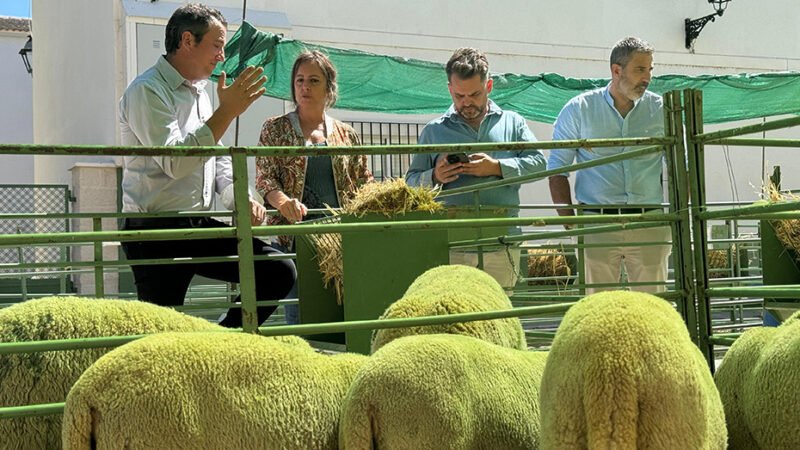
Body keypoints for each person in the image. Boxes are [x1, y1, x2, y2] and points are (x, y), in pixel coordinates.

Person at [119, 3, 296, 328]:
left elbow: (218, 159)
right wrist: (226, 112)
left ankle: (221, 343)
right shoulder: (146, 90)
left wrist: (240, 197)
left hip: (195, 224)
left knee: (278, 269)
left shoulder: (201, 92)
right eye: (217, 45)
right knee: (161, 330)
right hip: (155, 231)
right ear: (187, 40)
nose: (222, 56)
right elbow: (175, 162)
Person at [405, 47, 546, 289]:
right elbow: (409, 182)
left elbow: (540, 164)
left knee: (499, 310)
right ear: (449, 89)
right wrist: (435, 176)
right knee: (453, 309)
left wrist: (497, 167)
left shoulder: (513, 122)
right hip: (451, 246)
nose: (467, 102)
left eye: (474, 94)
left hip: (501, 243)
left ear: (489, 86)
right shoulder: (433, 131)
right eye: (459, 96)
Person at [255, 50, 373, 323]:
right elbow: (265, 178)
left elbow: (363, 181)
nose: (305, 87)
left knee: (341, 313)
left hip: (339, 241)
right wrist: (283, 202)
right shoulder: (275, 129)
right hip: (294, 239)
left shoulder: (346, 134)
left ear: (329, 87)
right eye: (300, 80)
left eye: (313, 80)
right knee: (300, 315)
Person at [547, 36, 670, 294]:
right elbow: (557, 168)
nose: (647, 77)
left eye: (650, 69)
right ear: (616, 70)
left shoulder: (662, 109)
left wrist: (674, 218)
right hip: (596, 223)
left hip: (649, 221)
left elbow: (684, 165)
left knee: (653, 306)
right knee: (600, 307)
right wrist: (571, 224)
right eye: (640, 69)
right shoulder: (579, 109)